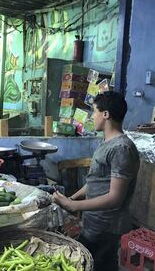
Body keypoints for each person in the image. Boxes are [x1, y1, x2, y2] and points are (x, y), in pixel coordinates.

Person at [53, 91, 140, 271]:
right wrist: (72, 198)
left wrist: (74, 207)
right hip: (94, 223)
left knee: (98, 265)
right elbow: (96, 181)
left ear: (106, 114)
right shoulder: (106, 143)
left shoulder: (121, 148)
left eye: (94, 112)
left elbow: (115, 197)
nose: (93, 117)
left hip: (107, 227)